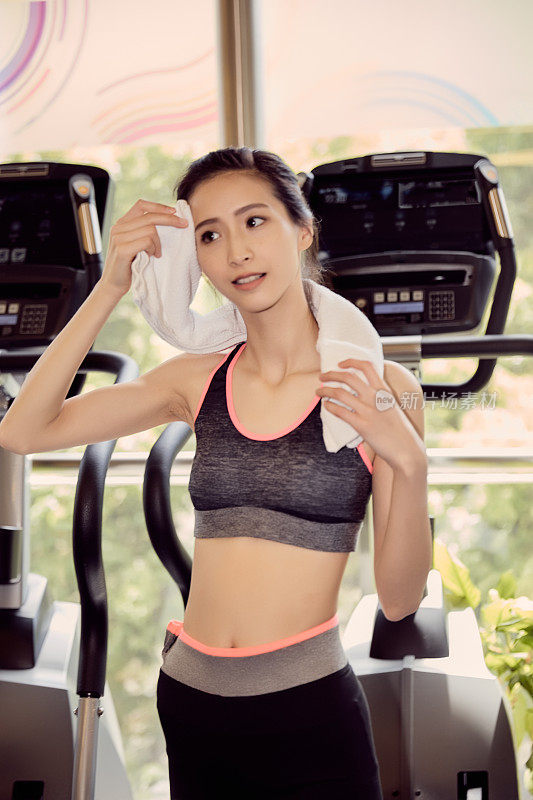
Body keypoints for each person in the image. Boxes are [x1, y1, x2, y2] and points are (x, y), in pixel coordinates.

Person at [0, 146, 432, 799]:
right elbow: (24, 430)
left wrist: (410, 460)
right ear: (193, 256)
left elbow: (398, 600)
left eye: (255, 221)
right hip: (192, 704)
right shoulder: (197, 379)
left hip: (308, 713)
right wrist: (110, 285)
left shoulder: (378, 387)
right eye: (209, 234)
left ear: (302, 229)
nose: (235, 251)